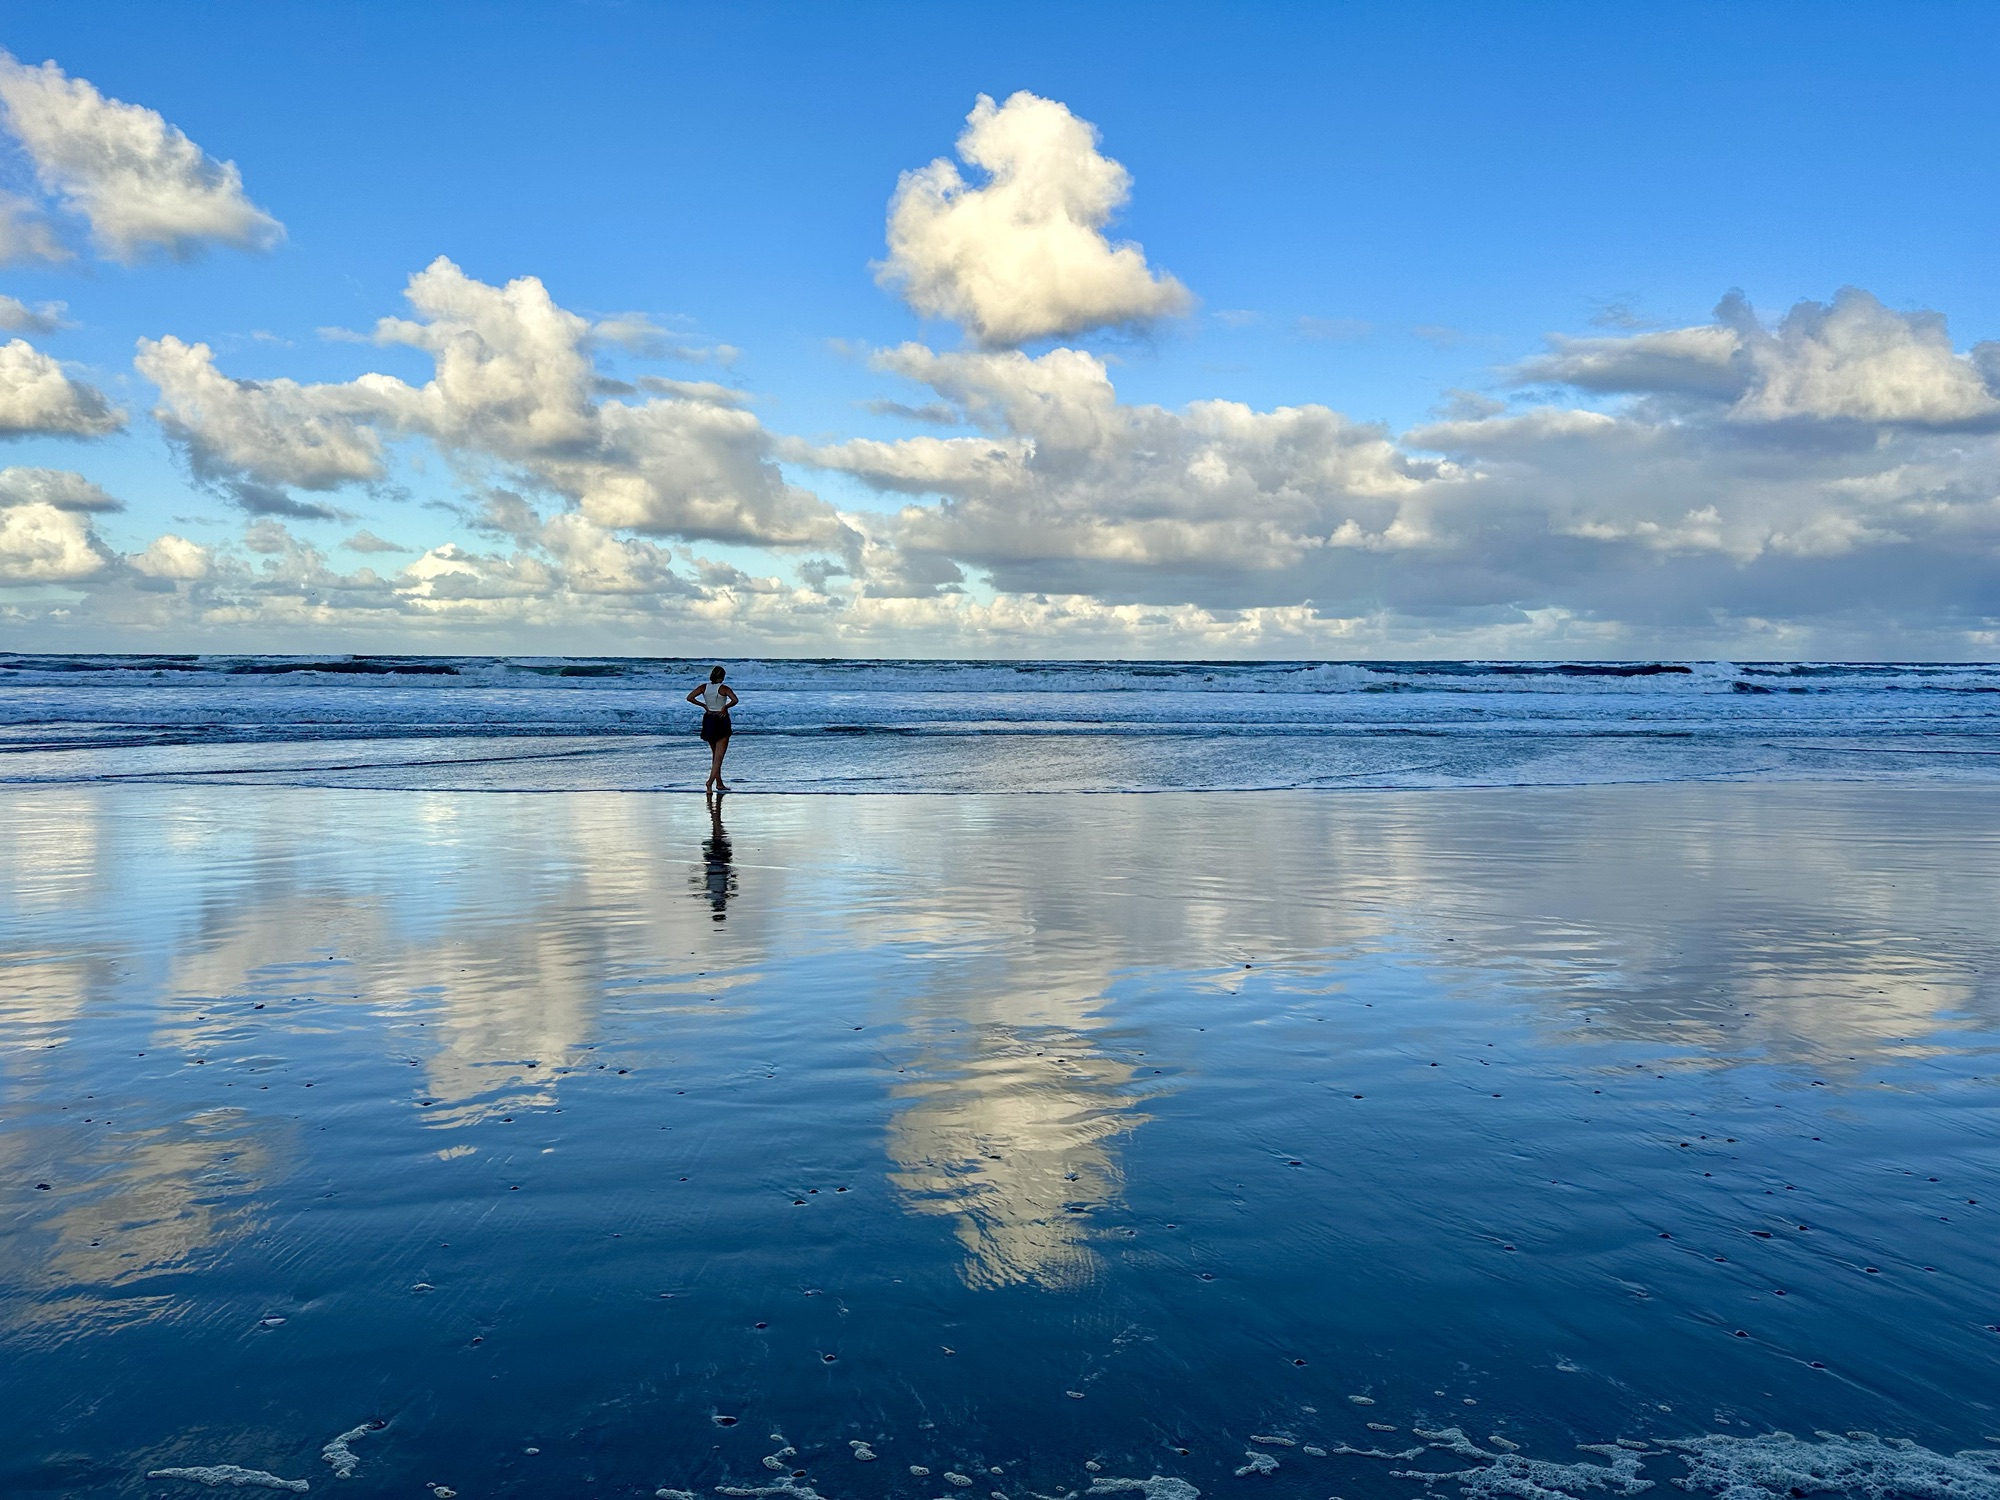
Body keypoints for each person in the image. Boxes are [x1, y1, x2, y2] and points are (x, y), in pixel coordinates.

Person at [686, 665, 738, 791]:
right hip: (721, 720)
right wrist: (725, 707)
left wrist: (703, 705)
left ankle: (719, 783)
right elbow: (735, 700)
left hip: (709, 719)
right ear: (722, 676)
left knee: (715, 755)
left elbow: (690, 697)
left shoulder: (704, 687)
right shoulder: (724, 688)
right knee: (719, 757)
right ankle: (709, 782)